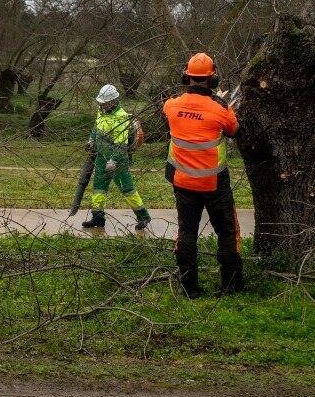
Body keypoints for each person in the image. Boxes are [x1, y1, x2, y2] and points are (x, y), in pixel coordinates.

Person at [162, 53, 244, 297]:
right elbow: (234, 130)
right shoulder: (221, 110)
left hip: (183, 182)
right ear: (213, 79)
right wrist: (222, 104)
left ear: (186, 77)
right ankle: (230, 285)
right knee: (227, 233)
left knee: (187, 232)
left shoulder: (171, 105)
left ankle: (189, 288)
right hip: (214, 184)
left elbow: (168, 114)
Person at [81, 83, 150, 232]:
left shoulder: (121, 117)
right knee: (99, 188)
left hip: (118, 161)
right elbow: (96, 128)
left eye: (104, 103)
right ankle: (97, 217)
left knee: (127, 189)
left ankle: (143, 216)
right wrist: (91, 140)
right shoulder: (101, 112)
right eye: (101, 103)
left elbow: (121, 143)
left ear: (113, 101)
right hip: (100, 156)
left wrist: (113, 160)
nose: (102, 105)